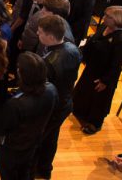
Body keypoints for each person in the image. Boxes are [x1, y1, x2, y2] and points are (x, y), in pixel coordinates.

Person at [0, 52, 58, 180]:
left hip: (12, 149)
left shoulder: (16, 104)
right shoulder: (51, 89)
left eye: (19, 68)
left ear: (23, 75)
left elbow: (0, 128)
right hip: (32, 143)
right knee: (25, 172)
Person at [33, 15, 81, 179]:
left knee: (40, 139)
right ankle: (45, 168)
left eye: (40, 33)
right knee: (51, 138)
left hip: (53, 107)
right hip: (65, 101)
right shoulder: (72, 47)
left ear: (50, 36)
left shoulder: (49, 63)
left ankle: (37, 169)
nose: (37, 35)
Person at [73, 6, 122, 134]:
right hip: (93, 67)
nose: (104, 18)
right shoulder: (104, 26)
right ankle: (79, 111)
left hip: (104, 74)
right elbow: (94, 41)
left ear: (117, 20)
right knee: (84, 91)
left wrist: (105, 81)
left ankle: (94, 124)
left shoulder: (121, 40)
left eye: (108, 16)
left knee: (98, 101)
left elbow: (115, 64)